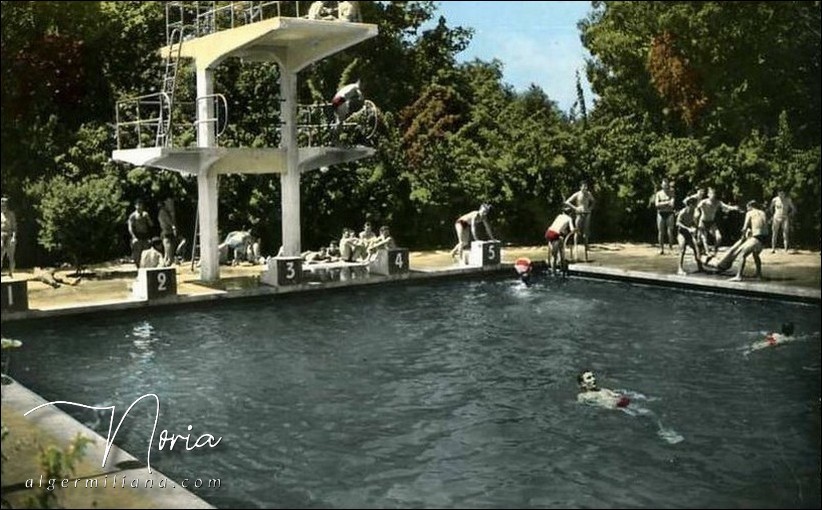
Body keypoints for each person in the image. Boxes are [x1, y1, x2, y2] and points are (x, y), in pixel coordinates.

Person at [728, 200, 768, 281]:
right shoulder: (762, 212)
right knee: (755, 255)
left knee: (742, 255)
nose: (747, 209)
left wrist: (742, 237)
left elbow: (744, 228)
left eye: (747, 207)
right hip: (765, 237)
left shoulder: (749, 213)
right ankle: (759, 275)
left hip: (757, 237)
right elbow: (761, 225)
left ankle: (738, 276)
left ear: (750, 206)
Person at [695, 187, 740, 257]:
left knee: (719, 238)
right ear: (708, 195)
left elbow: (726, 206)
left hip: (712, 222)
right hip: (703, 222)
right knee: (703, 239)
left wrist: (734, 208)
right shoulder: (704, 202)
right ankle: (706, 252)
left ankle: (715, 250)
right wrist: (696, 215)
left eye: (714, 194)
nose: (713, 195)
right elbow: (697, 208)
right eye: (711, 194)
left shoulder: (718, 202)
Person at [564, 181, 595, 262]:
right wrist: (575, 208)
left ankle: (586, 246)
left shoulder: (588, 194)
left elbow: (593, 201)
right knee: (577, 230)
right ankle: (575, 245)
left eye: (586, 186)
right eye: (584, 186)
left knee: (586, 231)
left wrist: (590, 208)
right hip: (579, 213)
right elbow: (567, 202)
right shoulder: (577, 194)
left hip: (587, 213)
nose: (585, 188)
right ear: (580, 187)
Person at [545, 205, 576, 276]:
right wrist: (576, 230)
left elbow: (559, 227)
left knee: (560, 246)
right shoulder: (569, 218)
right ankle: (554, 272)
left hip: (549, 232)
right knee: (554, 255)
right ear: (570, 213)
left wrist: (563, 232)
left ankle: (561, 266)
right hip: (554, 235)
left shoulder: (559, 216)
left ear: (563, 212)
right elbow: (572, 230)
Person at [675, 196, 703, 275]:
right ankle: (679, 269)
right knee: (682, 249)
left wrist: (695, 228)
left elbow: (693, 222)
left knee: (696, 247)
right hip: (682, 232)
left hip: (689, 233)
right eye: (694, 205)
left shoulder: (694, 212)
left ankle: (700, 267)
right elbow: (677, 223)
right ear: (690, 205)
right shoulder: (683, 212)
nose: (696, 207)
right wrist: (688, 228)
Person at [128, 199, 154, 268]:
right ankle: (138, 268)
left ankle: (146, 267)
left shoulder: (145, 214)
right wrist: (133, 237)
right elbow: (130, 227)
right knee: (137, 254)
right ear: (135, 206)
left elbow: (151, 225)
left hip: (145, 235)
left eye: (141, 205)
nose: (139, 206)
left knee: (146, 253)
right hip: (137, 236)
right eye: (138, 205)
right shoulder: (133, 216)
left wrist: (147, 218)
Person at [654, 178, 676, 255]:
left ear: (668, 185)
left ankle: (671, 247)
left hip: (669, 213)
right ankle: (661, 248)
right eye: (663, 185)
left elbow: (672, 204)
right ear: (661, 185)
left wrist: (662, 203)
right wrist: (667, 202)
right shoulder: (658, 193)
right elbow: (656, 205)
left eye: (666, 185)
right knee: (660, 232)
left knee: (670, 231)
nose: (665, 186)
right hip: (661, 213)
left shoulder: (671, 192)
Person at [157, 198, 178, 267]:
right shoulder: (163, 212)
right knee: (169, 252)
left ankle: (166, 263)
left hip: (168, 232)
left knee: (167, 253)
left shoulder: (168, 211)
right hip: (167, 233)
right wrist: (173, 227)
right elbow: (170, 222)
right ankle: (167, 263)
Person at [1, 196, 17, 277]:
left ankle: (11, 272)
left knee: (10, 256)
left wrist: (14, 237)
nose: (3, 207)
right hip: (1, 235)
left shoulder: (11, 214)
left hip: (10, 235)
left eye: (4, 205)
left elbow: (14, 227)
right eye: (2, 205)